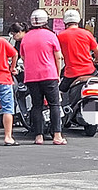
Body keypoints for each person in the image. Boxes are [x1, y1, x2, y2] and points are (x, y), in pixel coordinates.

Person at [19, 9, 66, 145]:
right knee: (54, 105)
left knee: (36, 106)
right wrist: (57, 74)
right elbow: (58, 57)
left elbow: (23, 56)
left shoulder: (26, 37)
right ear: (46, 21)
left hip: (31, 77)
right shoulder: (51, 35)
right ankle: (57, 135)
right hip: (49, 75)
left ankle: (38, 136)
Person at [57, 9, 98, 94]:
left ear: (65, 22)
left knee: (61, 91)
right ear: (78, 20)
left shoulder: (60, 36)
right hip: (89, 71)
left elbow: (58, 54)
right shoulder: (87, 33)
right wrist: (97, 59)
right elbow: (97, 51)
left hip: (71, 74)